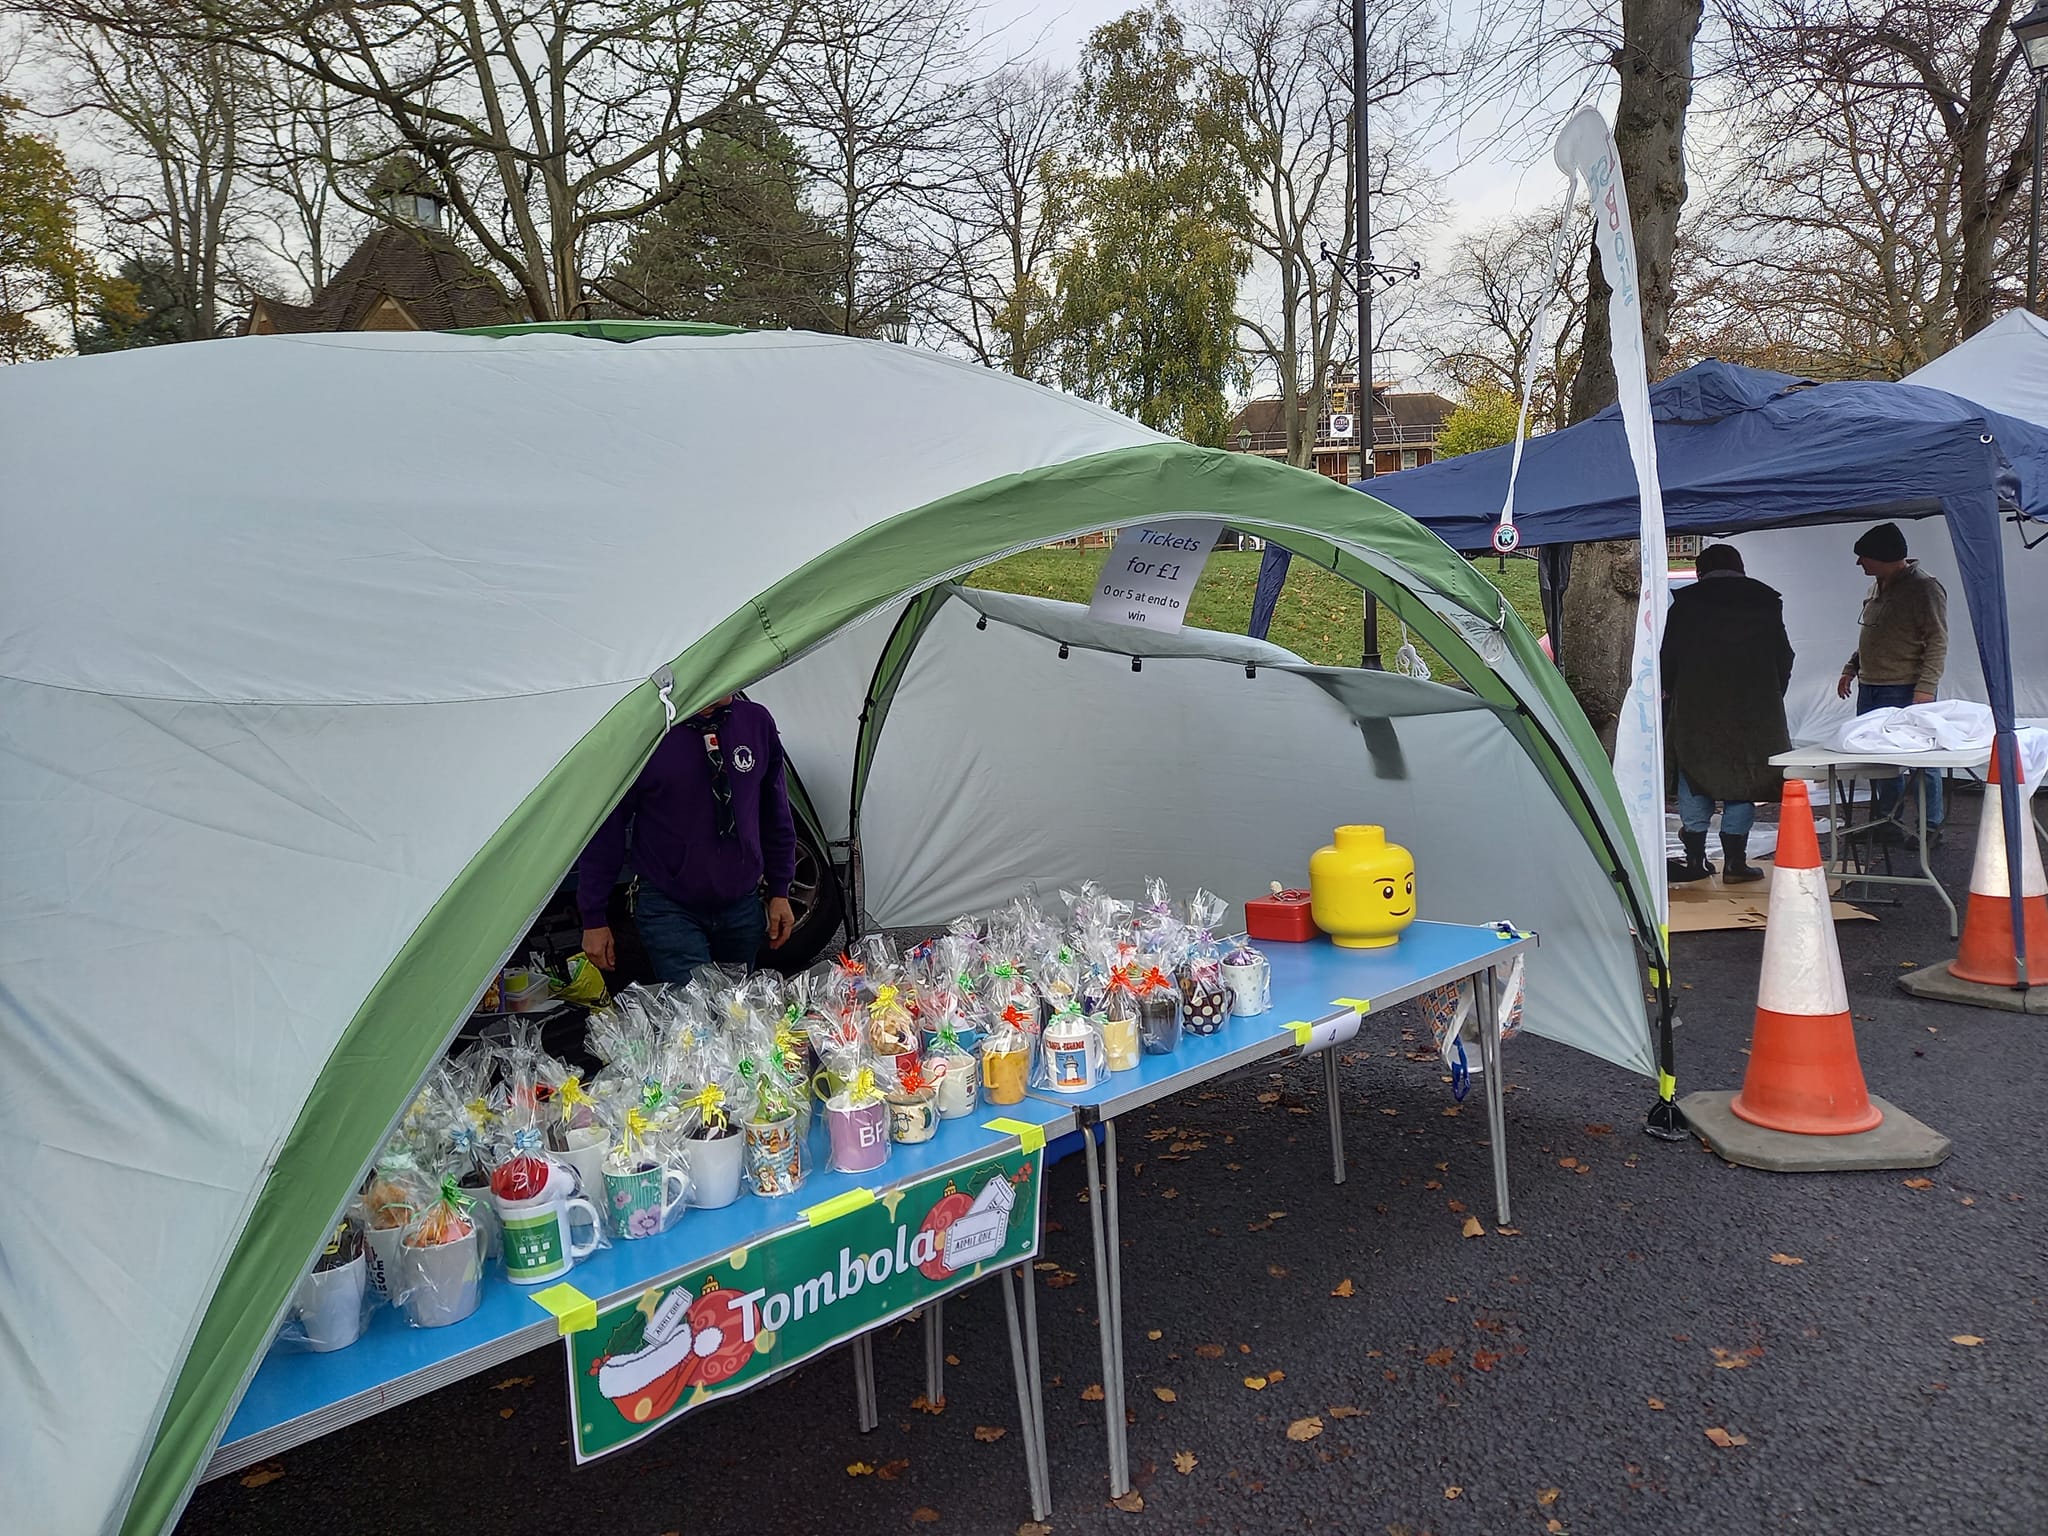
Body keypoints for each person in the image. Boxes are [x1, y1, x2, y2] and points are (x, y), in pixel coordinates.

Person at [576, 694, 797, 981]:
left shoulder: (755, 722)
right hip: (670, 904)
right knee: (695, 1017)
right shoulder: (645, 732)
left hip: (741, 904)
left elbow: (775, 812)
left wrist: (780, 889)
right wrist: (593, 917)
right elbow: (606, 830)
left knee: (737, 1016)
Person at [1662, 544, 1794, 884]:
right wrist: (1772, 692)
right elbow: (1783, 655)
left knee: (1694, 774)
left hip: (1697, 703)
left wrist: (1671, 689)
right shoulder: (1766, 602)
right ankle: (1735, 862)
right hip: (1754, 706)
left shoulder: (1686, 603)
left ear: (1700, 570)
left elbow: (1669, 655)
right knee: (1744, 780)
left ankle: (1694, 859)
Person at [1834, 522, 1949, 841]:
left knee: (1922, 759)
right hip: (1871, 687)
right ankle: (1887, 822)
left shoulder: (1924, 588)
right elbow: (1873, 633)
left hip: (1905, 688)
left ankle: (1930, 826)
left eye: (1864, 557)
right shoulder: (1877, 585)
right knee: (1878, 759)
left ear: (1883, 557)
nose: (1859, 563)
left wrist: (1925, 687)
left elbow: (1937, 640)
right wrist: (1851, 667)